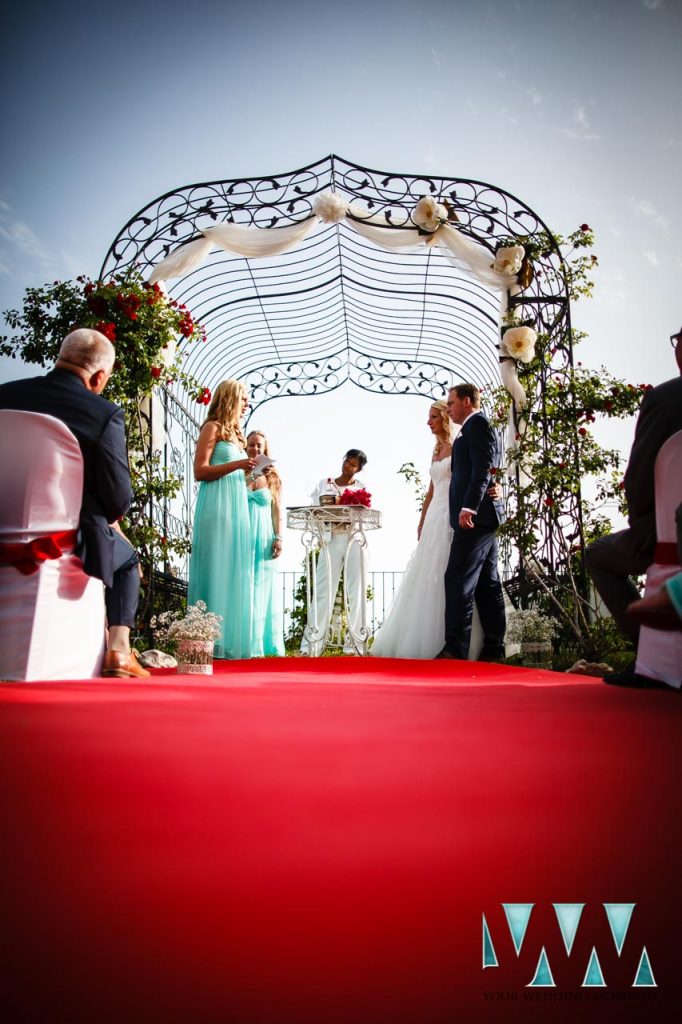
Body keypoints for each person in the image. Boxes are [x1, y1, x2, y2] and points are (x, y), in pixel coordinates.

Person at [0, 328, 148, 678]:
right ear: (99, 376)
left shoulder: (4, 396)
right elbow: (117, 500)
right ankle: (119, 652)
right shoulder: (102, 413)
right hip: (66, 538)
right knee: (128, 560)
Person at [587, 327, 682, 685]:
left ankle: (650, 655)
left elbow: (641, 474)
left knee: (598, 555)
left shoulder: (666, 399)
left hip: (668, 533)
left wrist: (643, 521)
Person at [371, 401, 455, 658]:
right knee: (427, 571)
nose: (428, 422)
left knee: (446, 571)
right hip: (433, 516)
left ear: (444, 418)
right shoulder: (436, 450)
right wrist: (422, 519)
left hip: (450, 513)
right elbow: (430, 490)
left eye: (433, 417)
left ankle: (450, 638)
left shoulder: (456, 447)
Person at [437, 383, 506, 662]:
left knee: (458, 580)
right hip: (484, 517)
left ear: (466, 401)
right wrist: (494, 483)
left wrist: (469, 507)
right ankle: (493, 649)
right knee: (487, 585)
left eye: (451, 403)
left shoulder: (477, 424)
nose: (449, 408)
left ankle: (455, 649)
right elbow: (489, 466)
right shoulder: (474, 427)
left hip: (475, 519)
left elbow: (482, 466)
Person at [188, 380, 256, 659]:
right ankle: (204, 642)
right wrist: (239, 464)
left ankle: (227, 641)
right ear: (230, 399)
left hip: (236, 507)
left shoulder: (239, 437)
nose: (247, 405)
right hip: (216, 506)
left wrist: (251, 472)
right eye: (243, 399)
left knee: (232, 568)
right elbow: (200, 471)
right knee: (215, 566)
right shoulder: (211, 428)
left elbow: (236, 474)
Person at [304, 449, 369, 655]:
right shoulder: (325, 484)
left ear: (358, 469)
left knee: (356, 591)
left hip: (354, 539)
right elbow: (315, 510)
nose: (347, 466)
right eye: (346, 462)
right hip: (331, 539)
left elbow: (364, 515)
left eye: (352, 465)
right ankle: (312, 645)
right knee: (323, 591)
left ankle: (355, 646)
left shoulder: (362, 488)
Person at [245, 430, 285, 657]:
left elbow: (277, 510)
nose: (255, 449)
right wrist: (253, 473)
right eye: (251, 445)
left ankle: (260, 642)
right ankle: (242, 639)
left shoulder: (273, 477)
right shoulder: (238, 470)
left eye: (259, 446)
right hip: (241, 533)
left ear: (265, 449)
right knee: (242, 583)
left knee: (261, 586)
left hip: (263, 536)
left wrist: (278, 537)